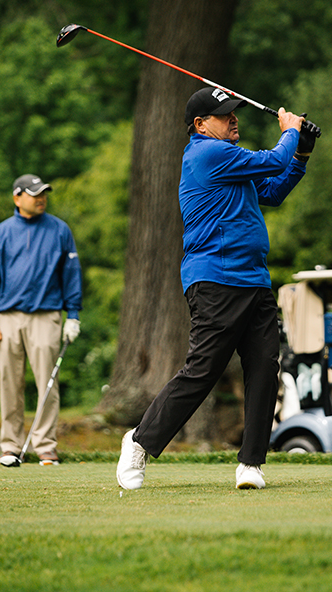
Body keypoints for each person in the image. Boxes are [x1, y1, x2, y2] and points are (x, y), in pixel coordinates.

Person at [117, 87, 318, 490]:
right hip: (215, 280)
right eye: (225, 114)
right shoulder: (207, 155)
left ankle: (251, 464)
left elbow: (274, 189)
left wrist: (302, 154)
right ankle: (139, 442)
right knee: (203, 371)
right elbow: (273, 158)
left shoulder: (232, 167)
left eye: (234, 113)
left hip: (254, 281)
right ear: (200, 125)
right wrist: (290, 131)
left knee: (264, 368)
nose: (234, 119)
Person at [0, 174, 83, 466]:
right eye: (34, 194)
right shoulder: (1, 233)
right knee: (9, 384)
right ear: (17, 197)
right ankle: (10, 446)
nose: (41, 198)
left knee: (47, 383)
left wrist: (72, 315)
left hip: (47, 316)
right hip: (7, 317)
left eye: (43, 193)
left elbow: (71, 275)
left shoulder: (60, 230)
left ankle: (45, 446)